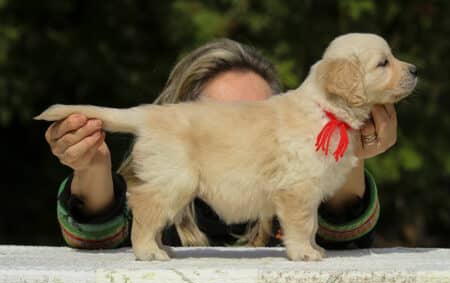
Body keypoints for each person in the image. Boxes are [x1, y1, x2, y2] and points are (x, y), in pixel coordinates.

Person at [45, 39, 397, 250]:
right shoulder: (161, 192)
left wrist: (350, 152)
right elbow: (100, 236)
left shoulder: (291, 188)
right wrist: (91, 167)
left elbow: (343, 238)